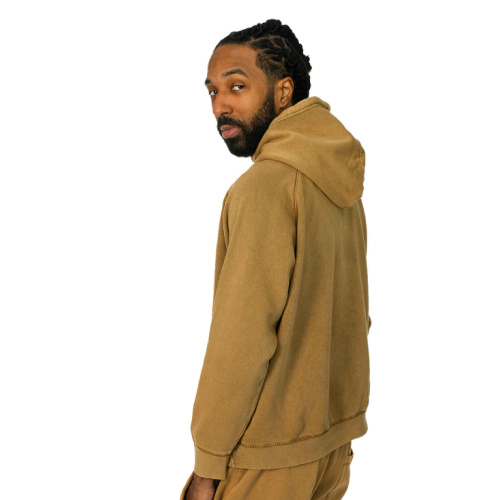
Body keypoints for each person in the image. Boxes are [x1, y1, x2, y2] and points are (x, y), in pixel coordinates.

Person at [181, 18, 372, 500]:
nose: (219, 105)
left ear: (283, 92)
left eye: (237, 86)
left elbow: (240, 341)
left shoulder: (264, 188)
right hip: (331, 447)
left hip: (269, 459)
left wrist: (207, 467)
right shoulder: (338, 180)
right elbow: (356, 316)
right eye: (212, 92)